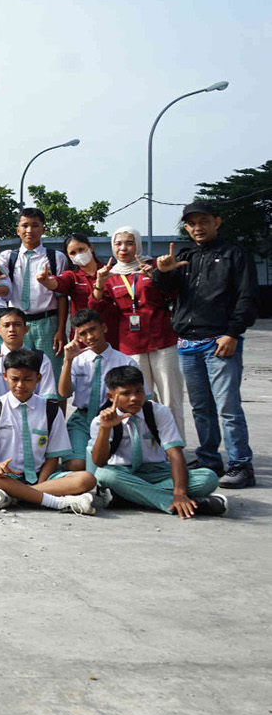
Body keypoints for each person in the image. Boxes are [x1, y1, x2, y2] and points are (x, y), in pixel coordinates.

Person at [150, 201, 259, 489]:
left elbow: (247, 298)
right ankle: (210, 458)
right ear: (186, 227)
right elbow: (165, 291)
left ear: (217, 222)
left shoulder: (235, 254)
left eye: (204, 221)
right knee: (201, 407)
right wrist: (162, 272)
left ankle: (241, 465)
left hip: (220, 341)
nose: (198, 227)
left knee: (228, 406)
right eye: (192, 223)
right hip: (187, 343)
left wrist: (233, 333)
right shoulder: (184, 256)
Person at [0, 349, 97, 514]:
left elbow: (52, 457)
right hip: (5, 478)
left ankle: (19, 496)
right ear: (5, 376)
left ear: (38, 378)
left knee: (86, 478)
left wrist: (38, 485)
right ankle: (58, 502)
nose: (20, 385)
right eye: (15, 379)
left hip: (42, 477)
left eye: (27, 379)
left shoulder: (50, 409)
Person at [89, 366, 227, 518]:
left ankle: (127, 497)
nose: (134, 398)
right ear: (111, 396)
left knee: (208, 478)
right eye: (125, 394)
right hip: (124, 473)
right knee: (105, 476)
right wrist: (105, 429)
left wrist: (179, 492)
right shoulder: (101, 421)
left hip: (158, 472)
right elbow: (99, 462)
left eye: (138, 391)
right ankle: (193, 505)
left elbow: (175, 453)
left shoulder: (158, 412)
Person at [90, 226, 184, 432]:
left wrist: (159, 276)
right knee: (141, 399)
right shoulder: (109, 275)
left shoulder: (152, 267)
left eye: (129, 243)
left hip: (162, 340)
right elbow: (98, 309)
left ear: (138, 245)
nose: (123, 248)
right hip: (131, 344)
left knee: (171, 398)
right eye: (118, 243)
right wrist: (98, 283)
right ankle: (149, 449)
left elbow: (174, 293)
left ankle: (176, 448)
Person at [0, 207, 68, 374]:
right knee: (19, 373)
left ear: (43, 229)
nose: (29, 230)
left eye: (35, 225)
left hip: (47, 324)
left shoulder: (55, 258)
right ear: (18, 230)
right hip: (18, 324)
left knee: (52, 373)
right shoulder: (8, 257)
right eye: (25, 226)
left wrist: (60, 330)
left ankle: (55, 402)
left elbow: (61, 298)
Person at [57, 309, 138, 474]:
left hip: (113, 419)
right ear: (77, 337)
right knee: (76, 465)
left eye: (93, 330)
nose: (89, 337)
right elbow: (64, 393)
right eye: (82, 334)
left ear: (104, 328)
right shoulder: (76, 360)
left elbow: (140, 399)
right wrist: (67, 361)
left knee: (108, 465)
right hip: (83, 419)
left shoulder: (125, 362)